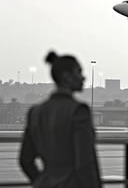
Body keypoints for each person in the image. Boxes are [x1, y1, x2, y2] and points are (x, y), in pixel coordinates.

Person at [19, 51, 102, 188]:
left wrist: (41, 181)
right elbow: (84, 165)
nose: (83, 78)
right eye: (79, 72)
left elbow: (25, 160)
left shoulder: (35, 112)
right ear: (67, 77)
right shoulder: (79, 111)